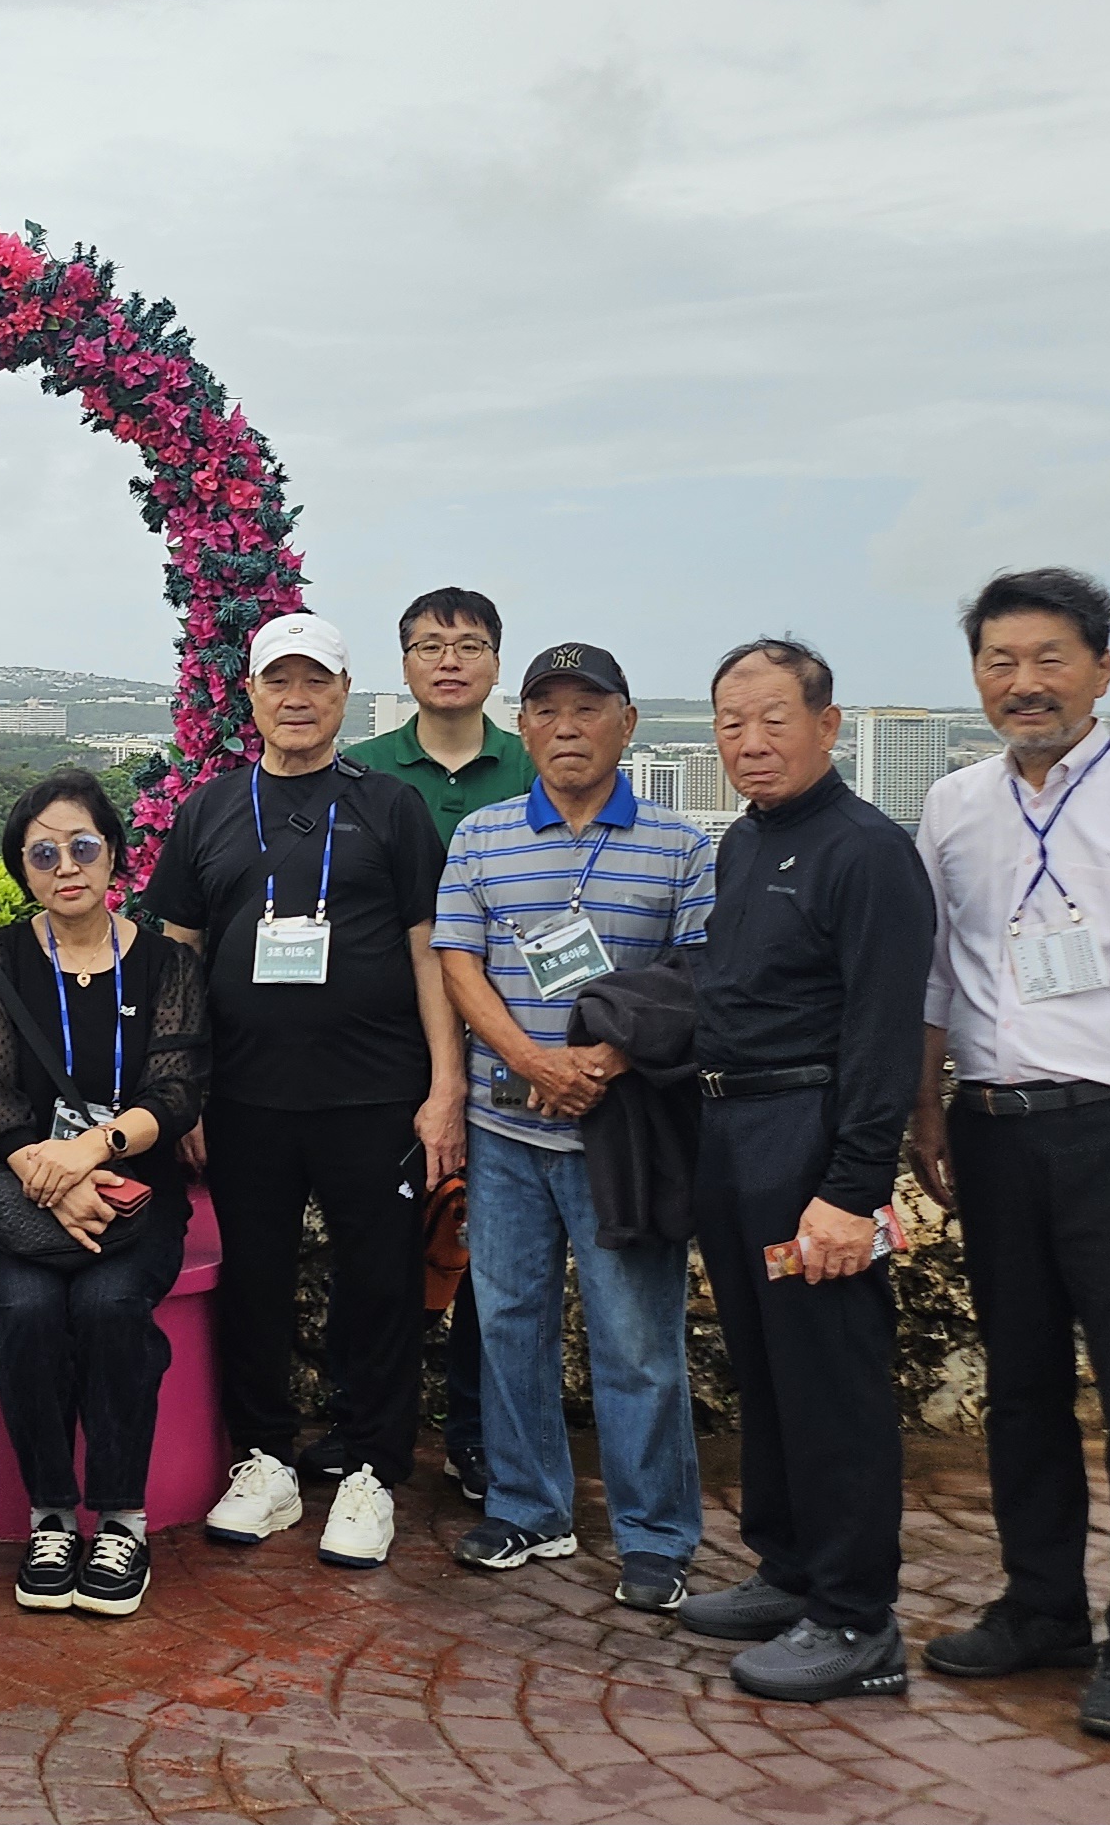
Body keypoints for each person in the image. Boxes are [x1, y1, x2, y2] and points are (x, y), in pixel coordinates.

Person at [907, 571, 1110, 1742]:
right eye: (1000, 660)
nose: (1024, 682)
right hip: (997, 1127)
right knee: (1025, 1385)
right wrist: (930, 1106)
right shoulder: (955, 805)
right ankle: (1042, 1602)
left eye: (1049, 657)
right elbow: (940, 972)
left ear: (1101, 669)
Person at [141, 611, 464, 1572]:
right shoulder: (208, 810)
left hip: (375, 1094)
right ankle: (264, 1457)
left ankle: (369, 1469)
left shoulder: (389, 805)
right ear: (248, 696)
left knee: (379, 1283)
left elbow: (428, 951)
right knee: (254, 1283)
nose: (295, 698)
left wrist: (444, 1088)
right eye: (276, 681)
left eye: (314, 682)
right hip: (242, 1098)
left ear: (342, 692)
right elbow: (178, 961)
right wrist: (180, 1091)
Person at [670, 639, 936, 1703]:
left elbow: (883, 1032)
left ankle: (857, 1615)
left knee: (831, 1378)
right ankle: (790, 1569)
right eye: (732, 720)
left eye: (774, 717)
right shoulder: (744, 842)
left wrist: (852, 1185)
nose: (751, 740)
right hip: (733, 1130)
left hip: (811, 1134)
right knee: (769, 1369)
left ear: (829, 725)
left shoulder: (866, 852)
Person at [430, 643, 714, 1611]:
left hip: (621, 1134)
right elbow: (460, 961)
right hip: (507, 1128)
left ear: (626, 721)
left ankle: (656, 1532)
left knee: (637, 1340)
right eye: (544, 708)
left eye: (585, 707)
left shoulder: (681, 845)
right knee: (509, 1324)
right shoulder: (482, 835)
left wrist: (606, 1062)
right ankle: (527, 1505)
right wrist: (533, 1059)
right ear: (525, 726)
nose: (563, 726)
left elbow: (699, 974)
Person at [0, 768, 208, 1618]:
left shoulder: (167, 963)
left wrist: (89, 1156)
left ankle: (121, 1517)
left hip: (136, 1192)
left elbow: (174, 1091)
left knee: (109, 1308)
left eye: (83, 846)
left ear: (115, 857)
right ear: (23, 871)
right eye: (43, 853)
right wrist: (49, 1178)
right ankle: (52, 1514)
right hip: (20, 1198)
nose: (67, 865)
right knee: (23, 1311)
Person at [341, 587, 531, 1499]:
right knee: (377, 1247)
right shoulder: (358, 772)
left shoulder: (538, 769)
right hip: (384, 1052)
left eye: (467, 645)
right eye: (427, 646)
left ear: (495, 662)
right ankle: (368, 1429)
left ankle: (475, 1431)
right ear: (403, 664)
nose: (447, 660)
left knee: (498, 1252)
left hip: (512, 1049)